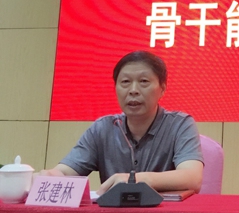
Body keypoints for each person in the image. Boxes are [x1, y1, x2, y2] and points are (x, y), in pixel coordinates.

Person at [41, 51, 203, 195]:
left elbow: (192, 178)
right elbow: (65, 172)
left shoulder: (180, 125)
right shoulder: (102, 129)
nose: (133, 90)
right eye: (125, 82)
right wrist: (49, 176)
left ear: (162, 89)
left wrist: (133, 180)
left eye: (144, 81)